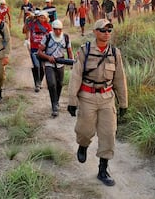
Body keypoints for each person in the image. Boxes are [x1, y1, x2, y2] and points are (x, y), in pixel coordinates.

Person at [67, 19, 128, 187]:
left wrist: (123, 103)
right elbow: (76, 76)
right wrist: (72, 100)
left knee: (108, 134)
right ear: (95, 32)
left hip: (107, 98)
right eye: (103, 30)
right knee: (85, 130)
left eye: (109, 30)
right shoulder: (85, 51)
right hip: (87, 96)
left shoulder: (115, 53)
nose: (107, 33)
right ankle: (83, 145)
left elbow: (120, 79)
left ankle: (103, 169)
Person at [37, 20, 73, 117]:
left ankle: (56, 101)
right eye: (56, 29)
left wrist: (72, 62)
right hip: (49, 63)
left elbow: (69, 51)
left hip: (60, 63)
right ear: (53, 29)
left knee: (59, 84)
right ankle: (54, 105)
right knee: (51, 83)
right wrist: (48, 58)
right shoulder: (47, 37)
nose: (58, 32)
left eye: (59, 30)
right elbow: (39, 52)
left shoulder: (65, 37)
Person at [23, 10, 52, 92]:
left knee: (42, 67)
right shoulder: (32, 24)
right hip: (34, 48)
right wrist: (27, 21)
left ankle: (38, 82)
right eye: (40, 17)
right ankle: (37, 84)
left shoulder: (47, 26)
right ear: (38, 17)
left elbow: (51, 37)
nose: (42, 19)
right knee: (36, 65)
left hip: (44, 50)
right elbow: (24, 30)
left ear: (46, 18)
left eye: (44, 17)